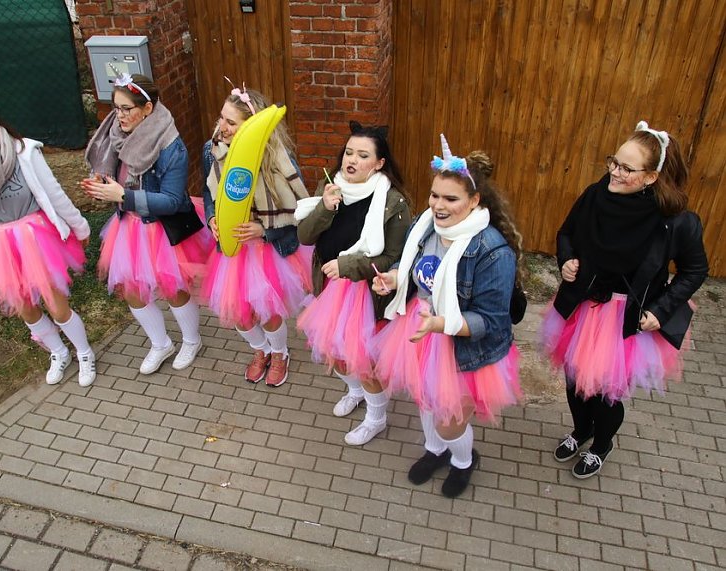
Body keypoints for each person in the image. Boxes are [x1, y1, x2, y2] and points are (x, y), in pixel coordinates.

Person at [542, 121, 708, 479]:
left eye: (626, 168)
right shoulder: (595, 195)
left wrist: (661, 312)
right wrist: (566, 261)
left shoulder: (675, 221)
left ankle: (601, 444)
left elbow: (695, 271)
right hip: (584, 305)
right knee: (574, 382)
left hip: (626, 315)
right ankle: (581, 431)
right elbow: (566, 233)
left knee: (605, 394)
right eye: (613, 162)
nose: (614, 172)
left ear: (650, 177)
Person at [371, 136, 522, 498]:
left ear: (474, 201)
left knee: (450, 421)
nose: (438, 205)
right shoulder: (424, 227)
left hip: (463, 343)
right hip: (423, 330)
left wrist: (441, 324)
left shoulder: (491, 251)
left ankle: (462, 459)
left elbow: (493, 320)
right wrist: (394, 279)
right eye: (435, 195)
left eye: (450, 199)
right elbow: (412, 270)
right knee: (426, 399)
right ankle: (434, 451)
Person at [0, 80, 96, 387]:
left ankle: (84, 352)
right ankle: (57, 351)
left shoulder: (23, 151)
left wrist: (80, 227)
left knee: (56, 303)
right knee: (24, 306)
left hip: (33, 237)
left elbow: (53, 193)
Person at [80, 73, 212, 375]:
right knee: (132, 290)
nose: (120, 116)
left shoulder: (170, 146)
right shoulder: (118, 134)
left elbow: (173, 200)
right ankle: (161, 343)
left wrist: (123, 195)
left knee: (173, 287)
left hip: (160, 228)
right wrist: (105, 188)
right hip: (129, 226)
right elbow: (120, 173)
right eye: (116, 107)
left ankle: (192, 341)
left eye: (127, 109)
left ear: (148, 109)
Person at [295, 121, 411, 445]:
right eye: (349, 152)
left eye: (363, 155)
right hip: (329, 289)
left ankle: (376, 418)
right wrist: (324, 207)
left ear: (379, 163)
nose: (352, 160)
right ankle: (355, 391)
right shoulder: (330, 186)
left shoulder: (394, 202)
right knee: (339, 355)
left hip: (365, 293)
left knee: (365, 362)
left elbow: (394, 258)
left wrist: (347, 265)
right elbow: (305, 236)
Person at [201, 81, 312, 387]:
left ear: (251, 128)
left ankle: (279, 353)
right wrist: (212, 216)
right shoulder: (213, 150)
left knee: (269, 311)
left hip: (267, 249)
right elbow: (209, 192)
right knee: (239, 313)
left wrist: (263, 230)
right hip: (232, 247)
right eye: (221, 118)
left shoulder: (278, 160)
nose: (222, 126)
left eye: (231, 122)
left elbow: (300, 210)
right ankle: (259, 349)